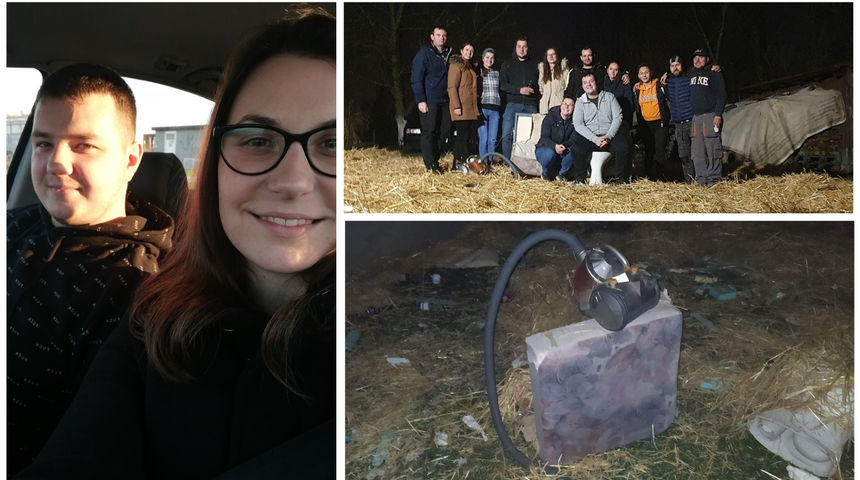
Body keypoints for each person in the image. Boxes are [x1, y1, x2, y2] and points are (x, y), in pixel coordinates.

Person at [17, 7, 336, 479]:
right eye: (256, 139)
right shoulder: (156, 321)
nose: (292, 181)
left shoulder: (132, 277)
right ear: (217, 159)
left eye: (332, 143)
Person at [7, 63, 175, 475]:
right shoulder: (20, 223)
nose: (56, 163)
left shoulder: (131, 288)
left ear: (131, 159)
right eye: (44, 144)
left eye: (83, 145)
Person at [571, 72, 630, 183]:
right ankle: (580, 180)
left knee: (622, 147)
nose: (588, 84)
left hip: (609, 134)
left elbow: (618, 117)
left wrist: (609, 136)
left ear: (596, 83)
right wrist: (595, 139)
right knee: (576, 149)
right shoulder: (580, 102)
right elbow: (578, 124)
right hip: (591, 136)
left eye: (591, 81)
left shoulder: (609, 97)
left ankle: (620, 180)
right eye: (585, 83)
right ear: (582, 86)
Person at [411, 26, 453, 173]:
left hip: (446, 100)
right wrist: (420, 100)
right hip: (429, 100)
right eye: (438, 35)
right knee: (429, 132)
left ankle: (435, 158)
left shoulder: (449, 54)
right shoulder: (424, 54)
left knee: (445, 131)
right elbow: (417, 78)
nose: (442, 37)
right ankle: (430, 165)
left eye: (444, 35)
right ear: (432, 37)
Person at [689, 48, 726, 186]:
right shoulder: (691, 73)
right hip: (696, 117)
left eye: (701, 57)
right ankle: (701, 180)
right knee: (697, 150)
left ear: (707, 60)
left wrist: (718, 114)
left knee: (712, 148)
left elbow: (721, 95)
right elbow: (676, 72)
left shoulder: (714, 73)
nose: (697, 60)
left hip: (710, 115)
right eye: (695, 57)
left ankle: (713, 180)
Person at [499, 35, 539, 161]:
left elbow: (541, 84)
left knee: (530, 136)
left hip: (530, 105)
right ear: (515, 48)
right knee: (506, 136)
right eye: (519, 47)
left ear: (528, 48)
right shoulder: (507, 64)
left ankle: (526, 163)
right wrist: (519, 90)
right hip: (512, 104)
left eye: (524, 47)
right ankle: (507, 164)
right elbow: (503, 85)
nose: (521, 49)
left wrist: (535, 90)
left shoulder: (536, 65)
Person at [634, 64, 670, 181]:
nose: (644, 75)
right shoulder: (638, 89)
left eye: (646, 72)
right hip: (646, 124)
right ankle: (649, 176)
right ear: (638, 75)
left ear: (651, 73)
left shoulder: (659, 85)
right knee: (649, 149)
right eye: (641, 73)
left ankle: (660, 175)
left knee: (660, 149)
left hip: (659, 122)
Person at [447, 41, 479, 171]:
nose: (469, 53)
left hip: (470, 107)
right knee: (462, 136)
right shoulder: (456, 66)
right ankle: (459, 163)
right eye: (466, 50)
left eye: (471, 50)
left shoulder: (470, 67)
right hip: (461, 107)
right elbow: (452, 87)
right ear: (461, 51)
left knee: (466, 137)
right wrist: (456, 105)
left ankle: (458, 163)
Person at [664, 55, 695, 183]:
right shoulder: (667, 82)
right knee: (684, 155)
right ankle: (689, 181)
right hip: (678, 124)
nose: (675, 68)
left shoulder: (690, 78)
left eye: (677, 65)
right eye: (672, 66)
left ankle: (701, 178)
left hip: (692, 121)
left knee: (697, 153)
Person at [535, 97, 577, 181]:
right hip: (546, 147)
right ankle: (545, 173)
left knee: (575, 151)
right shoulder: (550, 117)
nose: (567, 107)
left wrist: (563, 146)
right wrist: (555, 146)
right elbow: (544, 137)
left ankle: (561, 174)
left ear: (574, 108)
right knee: (549, 153)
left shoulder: (576, 121)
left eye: (570, 105)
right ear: (561, 105)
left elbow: (573, 139)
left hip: (564, 148)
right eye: (565, 103)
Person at [477, 47, 501, 159]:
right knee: (484, 138)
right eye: (487, 57)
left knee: (492, 139)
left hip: (495, 109)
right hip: (483, 108)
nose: (489, 60)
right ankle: (483, 161)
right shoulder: (479, 72)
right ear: (483, 59)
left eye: (492, 58)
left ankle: (489, 162)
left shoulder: (497, 73)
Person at [538, 47, 569, 114]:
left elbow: (566, 85)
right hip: (545, 106)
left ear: (557, 55)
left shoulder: (563, 69)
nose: (551, 56)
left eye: (553, 54)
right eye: (548, 55)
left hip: (558, 104)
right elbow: (541, 88)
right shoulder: (543, 70)